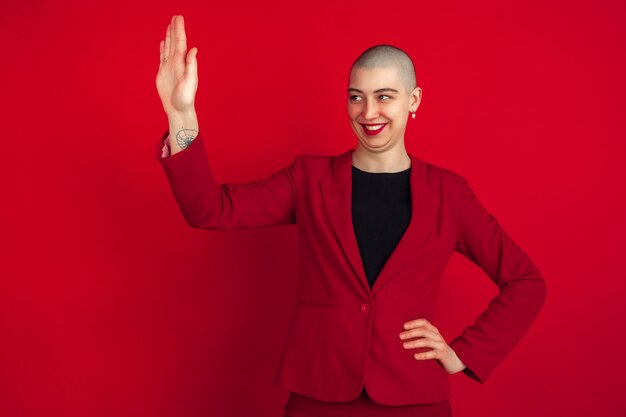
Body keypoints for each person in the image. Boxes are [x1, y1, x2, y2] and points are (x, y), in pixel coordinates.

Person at [155, 14, 547, 417]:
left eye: (384, 96)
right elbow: (211, 210)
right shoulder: (309, 178)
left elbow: (526, 281)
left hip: (413, 397)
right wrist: (180, 113)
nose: (368, 111)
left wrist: (461, 354)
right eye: (356, 96)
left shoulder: (450, 194)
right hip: (318, 395)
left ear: (413, 101)